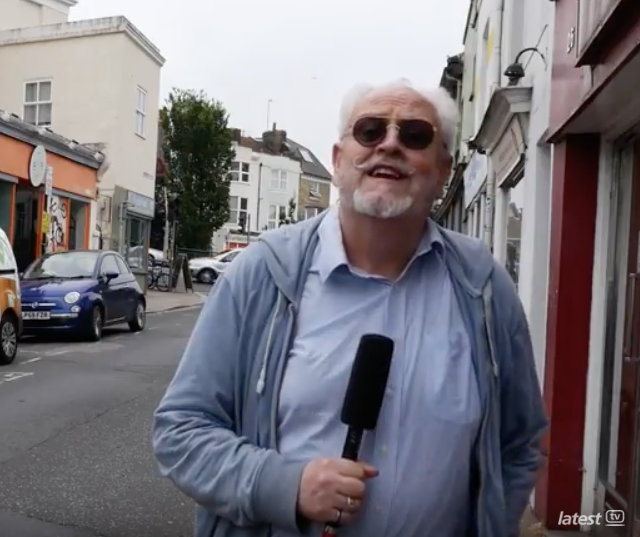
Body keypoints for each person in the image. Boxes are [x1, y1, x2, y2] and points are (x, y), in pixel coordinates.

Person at [152, 79, 547, 537]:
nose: (390, 144)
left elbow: (521, 441)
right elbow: (181, 430)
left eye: (415, 135)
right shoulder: (264, 273)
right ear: (339, 161)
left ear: (442, 169)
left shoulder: (482, 285)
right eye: (370, 131)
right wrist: (286, 485)